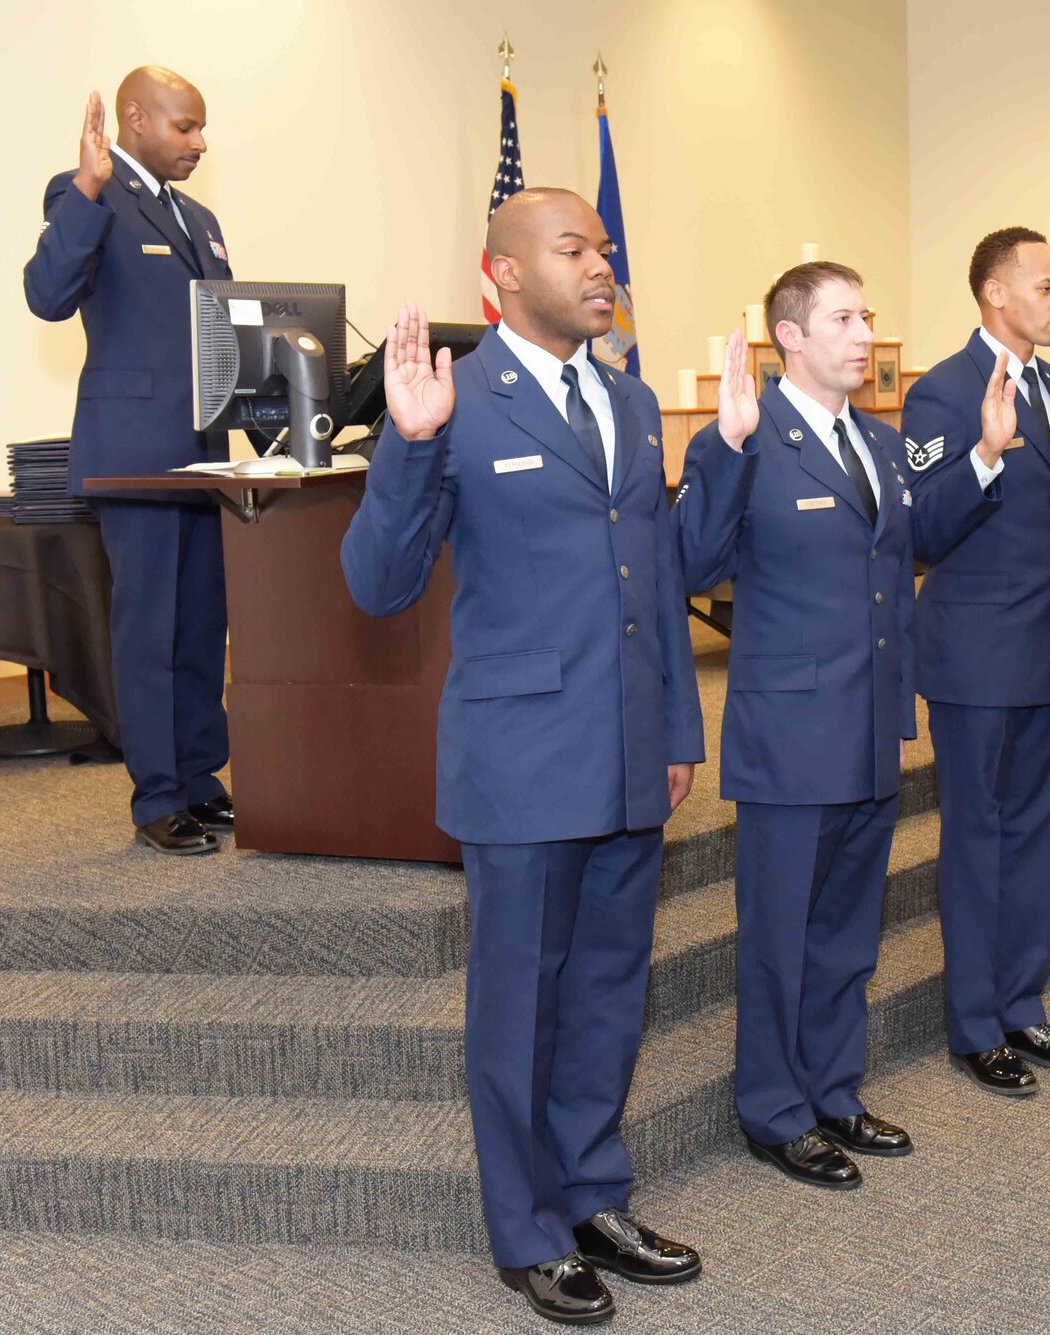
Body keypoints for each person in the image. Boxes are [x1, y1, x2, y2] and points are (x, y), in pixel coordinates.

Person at [340, 189, 705, 1325]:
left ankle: (592, 1192)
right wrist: (406, 447)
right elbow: (376, 584)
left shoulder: (632, 399)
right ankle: (525, 1228)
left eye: (602, 247)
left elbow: (654, 581)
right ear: (496, 272)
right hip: (521, 753)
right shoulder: (456, 400)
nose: (602, 266)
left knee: (606, 993)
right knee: (519, 1004)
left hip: (629, 749)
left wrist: (680, 731)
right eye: (573, 248)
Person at [674, 262, 917, 1190]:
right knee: (780, 936)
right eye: (844, 319)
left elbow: (892, 586)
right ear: (792, 337)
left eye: (868, 315)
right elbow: (691, 561)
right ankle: (775, 1109)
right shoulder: (746, 436)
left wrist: (898, 713)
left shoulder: (882, 446)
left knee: (849, 932)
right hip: (789, 735)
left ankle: (833, 1088)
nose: (863, 334)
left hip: (868, 729)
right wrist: (727, 450)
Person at [902, 227, 1050, 1096]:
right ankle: (975, 1023)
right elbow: (924, 531)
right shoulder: (942, 392)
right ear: (994, 292)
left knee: (1032, 836)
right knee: (976, 840)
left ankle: (1023, 1005)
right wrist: (984, 456)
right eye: (1049, 287)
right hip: (978, 656)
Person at [23, 69, 239, 854]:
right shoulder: (89, 196)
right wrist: (85, 184)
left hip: (204, 457)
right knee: (147, 630)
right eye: (185, 127)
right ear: (135, 118)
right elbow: (47, 294)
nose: (199, 142)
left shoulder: (204, 219)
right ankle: (156, 799)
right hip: (132, 457)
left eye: (202, 128)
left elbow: (222, 334)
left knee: (198, 628)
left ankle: (200, 780)